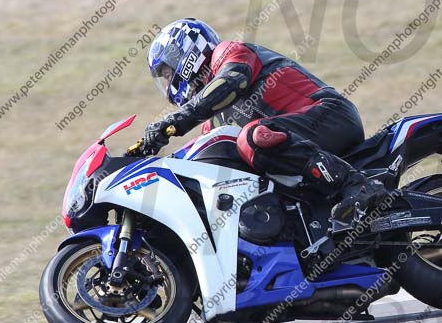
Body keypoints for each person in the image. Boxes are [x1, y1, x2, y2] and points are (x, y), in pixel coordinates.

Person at [139, 18, 386, 223]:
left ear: (186, 52)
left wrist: (173, 123)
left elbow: (232, 81)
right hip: (301, 141)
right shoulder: (210, 122)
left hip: (330, 116)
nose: (168, 81)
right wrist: (157, 166)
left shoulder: (229, 53)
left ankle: (357, 185)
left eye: (168, 72)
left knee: (253, 136)